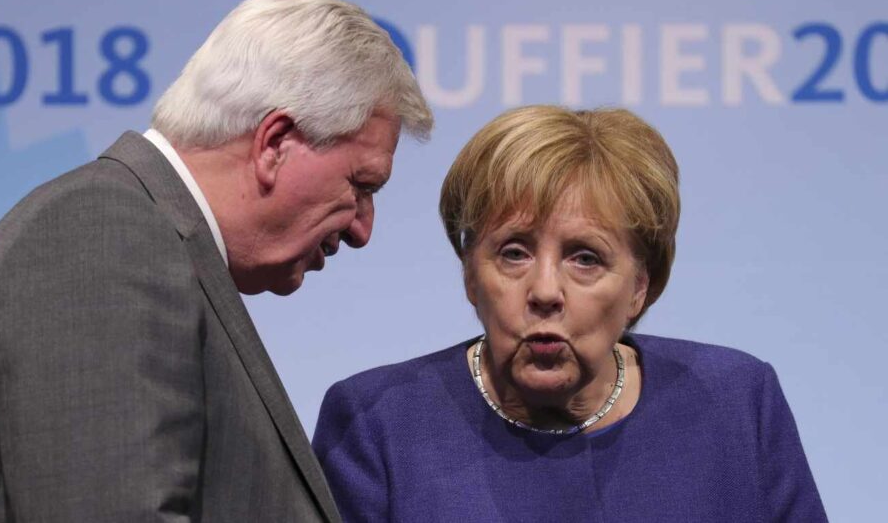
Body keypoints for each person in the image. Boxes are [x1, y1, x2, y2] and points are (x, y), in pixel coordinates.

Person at [0, 0, 432, 522]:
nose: (363, 229)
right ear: (275, 143)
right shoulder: (103, 231)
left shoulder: (147, 240)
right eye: (361, 184)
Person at [313, 106, 825, 522]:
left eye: (586, 257)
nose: (545, 291)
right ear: (471, 274)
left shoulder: (734, 403)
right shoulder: (377, 423)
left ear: (639, 288)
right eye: (514, 252)